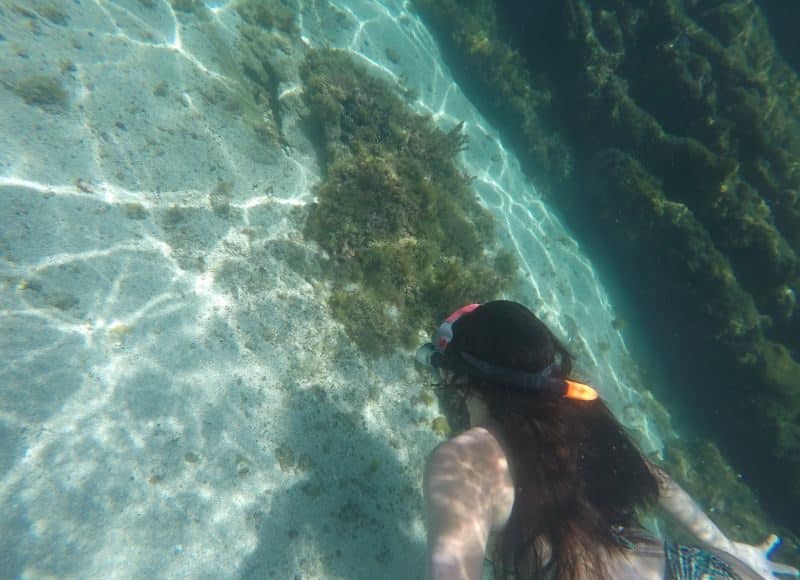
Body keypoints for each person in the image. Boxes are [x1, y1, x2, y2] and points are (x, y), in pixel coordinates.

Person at [418, 301, 799, 580]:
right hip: (709, 570)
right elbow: (660, 484)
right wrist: (726, 548)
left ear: (457, 376)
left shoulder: (461, 462)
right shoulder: (580, 412)